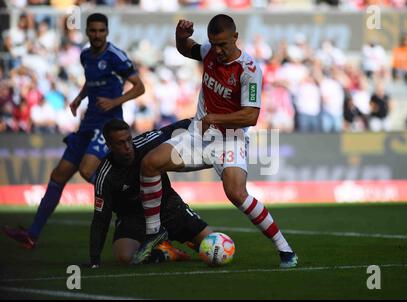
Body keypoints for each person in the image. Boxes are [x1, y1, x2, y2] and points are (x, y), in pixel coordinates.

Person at [133, 14, 298, 268]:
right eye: (213, 43)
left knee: (236, 193)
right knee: (149, 163)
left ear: (235, 37)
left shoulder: (249, 70)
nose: (217, 50)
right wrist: (181, 36)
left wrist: (215, 117)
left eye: (222, 44)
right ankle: (154, 233)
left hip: (230, 140)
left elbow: (251, 116)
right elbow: (186, 49)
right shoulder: (209, 51)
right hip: (199, 136)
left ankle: (285, 250)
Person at [3, 13, 145, 249]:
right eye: (93, 30)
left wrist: (115, 101)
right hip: (88, 123)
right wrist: (79, 98)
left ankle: (128, 204)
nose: (97, 34)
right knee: (58, 175)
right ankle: (32, 235)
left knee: (87, 169)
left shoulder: (115, 56)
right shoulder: (85, 55)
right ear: (88, 32)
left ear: (107, 32)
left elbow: (140, 87)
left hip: (107, 126)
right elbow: (91, 81)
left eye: (101, 30)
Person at [88, 118, 213, 267]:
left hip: (168, 206)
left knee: (212, 244)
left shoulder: (146, 142)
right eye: (121, 143)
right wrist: (95, 260)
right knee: (124, 257)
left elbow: (173, 129)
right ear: (109, 145)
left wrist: (203, 121)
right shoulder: (106, 175)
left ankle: (185, 238)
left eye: (129, 140)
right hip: (133, 218)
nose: (128, 147)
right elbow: (100, 220)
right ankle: (166, 252)